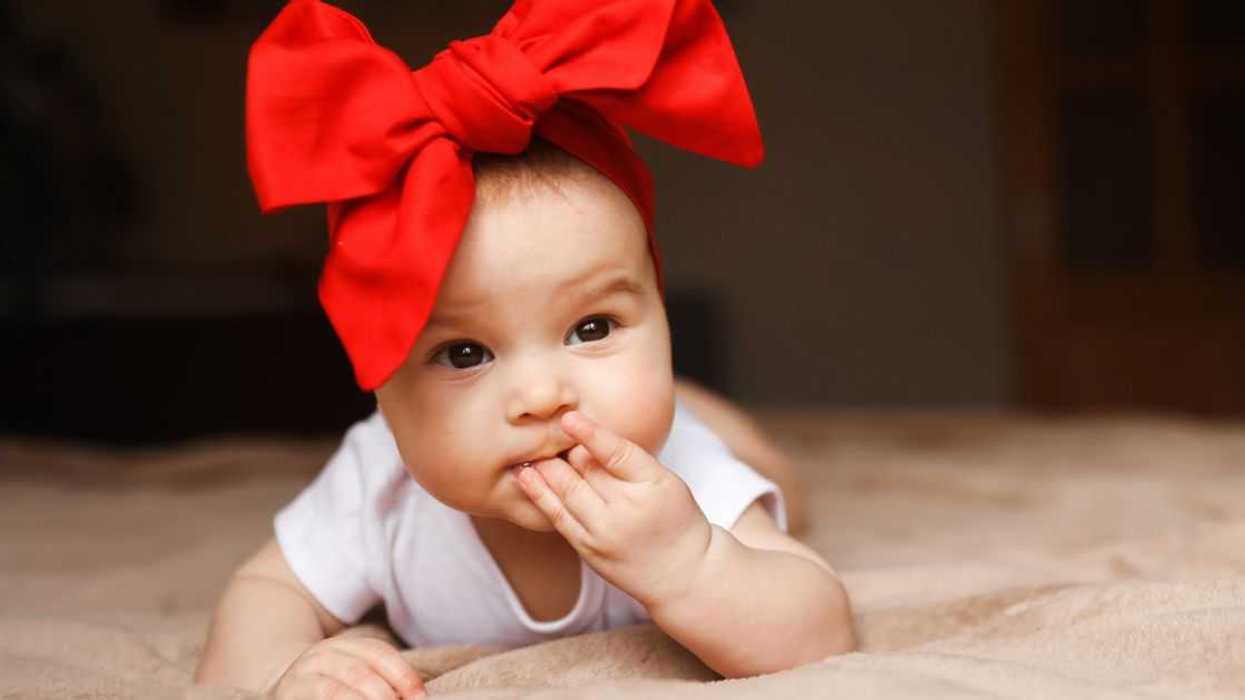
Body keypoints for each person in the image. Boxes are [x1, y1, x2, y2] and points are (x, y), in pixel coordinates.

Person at [195, 1, 855, 697]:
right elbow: (267, 591)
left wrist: (690, 562)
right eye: (465, 354)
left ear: (658, 314)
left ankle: (704, 412)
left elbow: (821, 632)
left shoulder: (675, 477)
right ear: (380, 386)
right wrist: (284, 671)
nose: (543, 395)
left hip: (689, 436)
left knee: (769, 479)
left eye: (591, 328)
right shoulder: (377, 483)